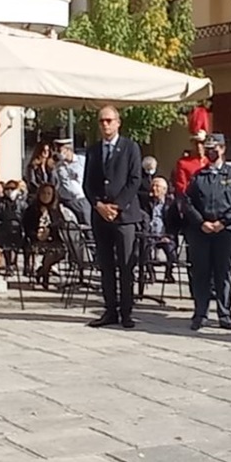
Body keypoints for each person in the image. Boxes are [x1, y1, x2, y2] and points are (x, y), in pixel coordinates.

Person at [83, 105, 145, 328]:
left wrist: (116, 206)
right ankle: (110, 310)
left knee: (125, 266)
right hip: (101, 216)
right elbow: (87, 184)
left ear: (118, 123)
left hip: (124, 216)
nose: (105, 125)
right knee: (106, 265)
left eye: (109, 120)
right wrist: (99, 205)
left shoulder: (130, 147)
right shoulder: (93, 150)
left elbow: (135, 179)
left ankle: (126, 312)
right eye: (102, 121)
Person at [184, 133, 231, 330]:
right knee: (201, 273)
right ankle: (200, 314)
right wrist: (201, 222)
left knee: (223, 273)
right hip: (201, 232)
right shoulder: (198, 176)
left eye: (215, 148)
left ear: (222, 149)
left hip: (225, 231)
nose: (211, 152)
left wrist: (224, 222)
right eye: (208, 149)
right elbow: (187, 202)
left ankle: (225, 314)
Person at [23, 183, 69, 289]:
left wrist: (50, 229)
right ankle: (45, 277)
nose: (46, 196)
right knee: (48, 251)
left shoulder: (55, 209)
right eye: (43, 193)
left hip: (53, 240)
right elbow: (27, 227)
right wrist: (37, 235)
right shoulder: (32, 209)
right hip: (35, 240)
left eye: (49, 194)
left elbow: (60, 224)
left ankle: (42, 271)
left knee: (59, 251)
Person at [143, 176, 180, 282]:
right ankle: (151, 274)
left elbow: (175, 223)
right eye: (153, 186)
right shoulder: (146, 202)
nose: (154, 188)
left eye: (157, 186)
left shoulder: (172, 203)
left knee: (172, 253)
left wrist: (169, 236)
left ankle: (168, 274)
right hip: (150, 235)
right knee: (144, 251)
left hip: (165, 235)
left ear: (164, 190)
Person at [54, 138, 92, 227]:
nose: (59, 153)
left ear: (68, 150)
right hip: (66, 200)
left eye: (60, 150)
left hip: (81, 198)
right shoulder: (59, 166)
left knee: (87, 224)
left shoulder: (82, 160)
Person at [173, 107, 210, 196]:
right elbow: (182, 188)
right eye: (196, 143)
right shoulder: (183, 163)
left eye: (202, 143)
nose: (199, 146)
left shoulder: (210, 162)